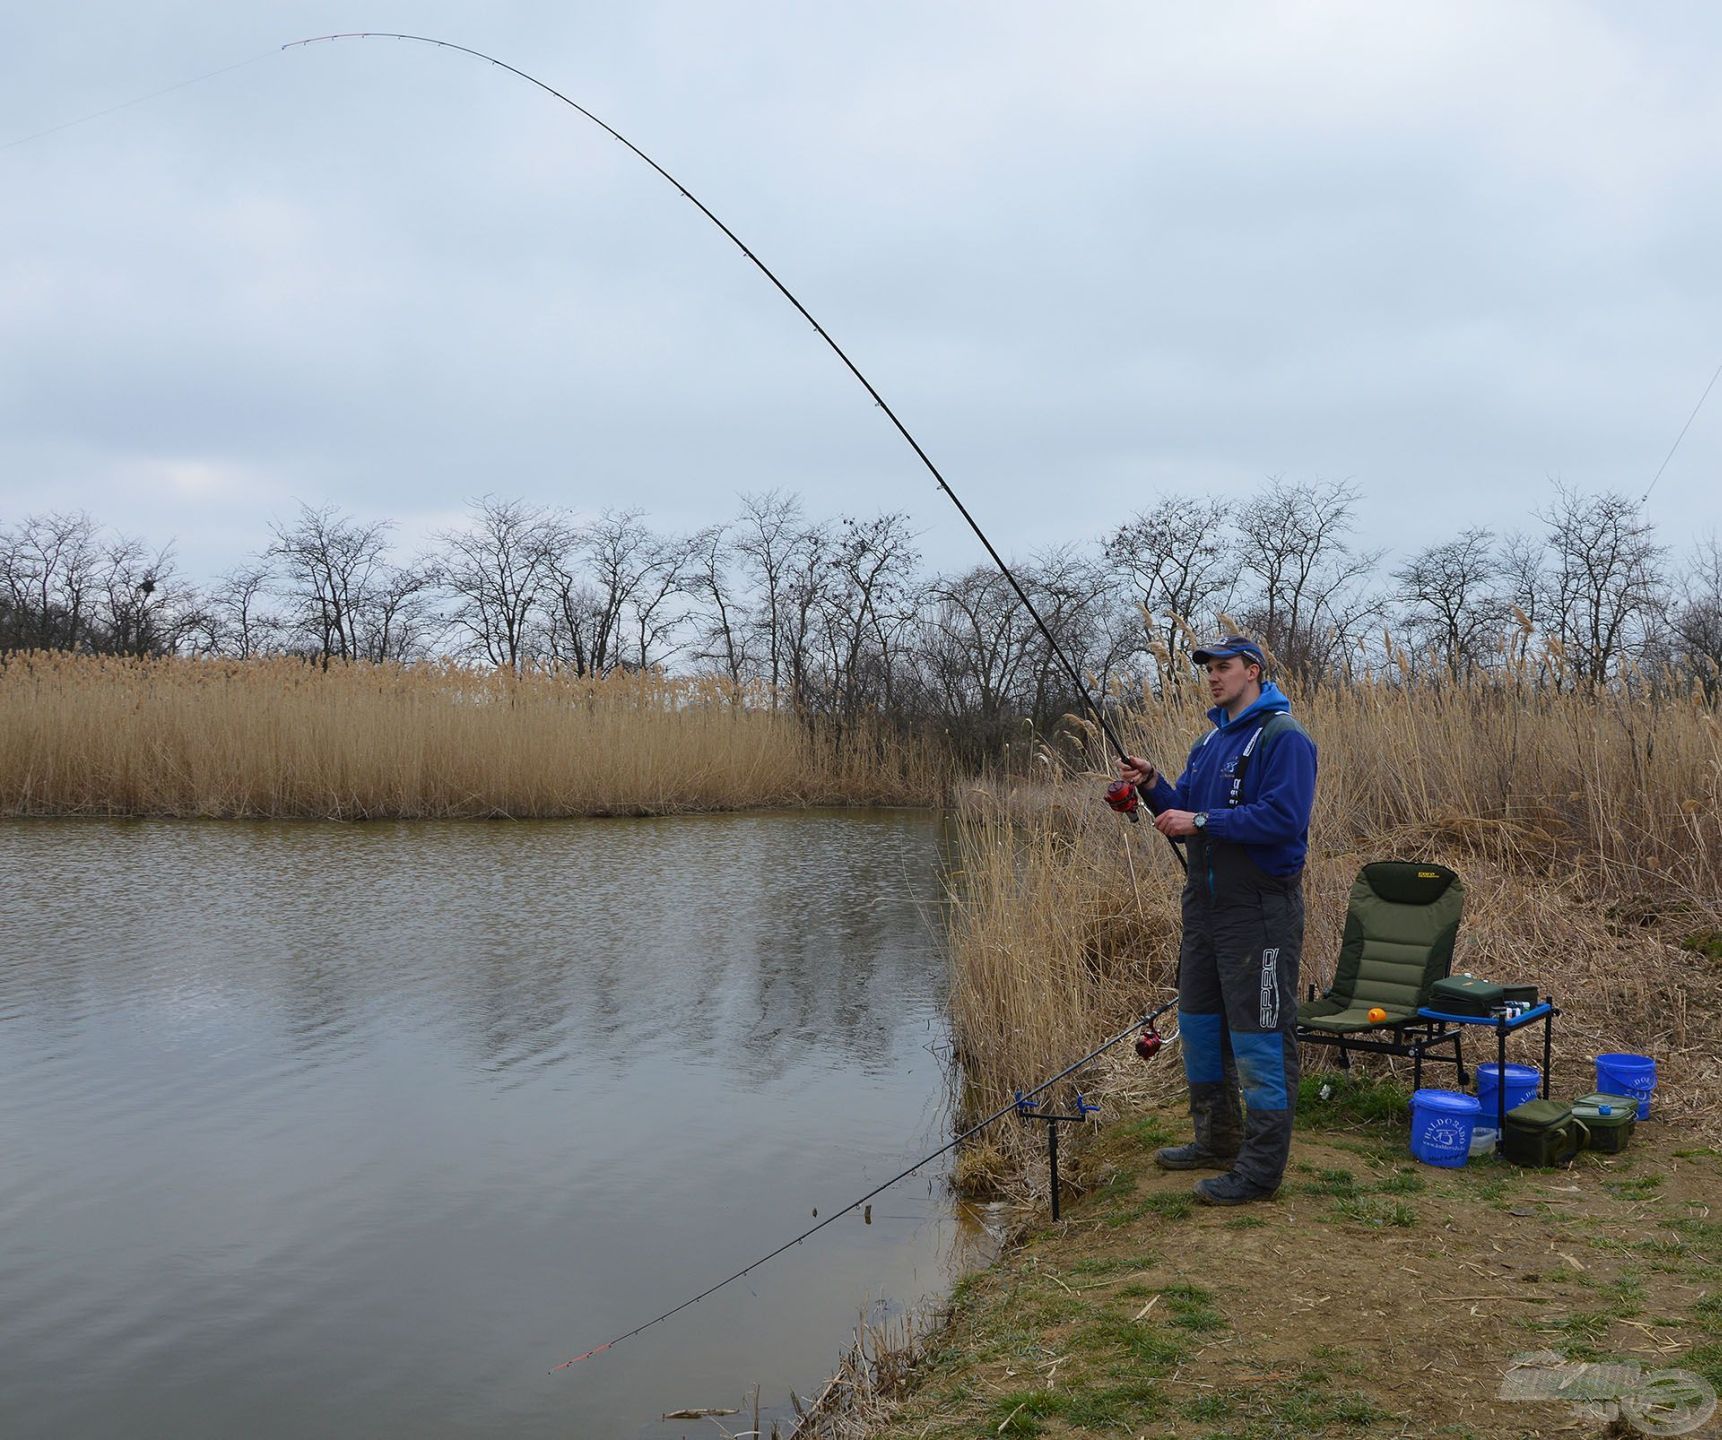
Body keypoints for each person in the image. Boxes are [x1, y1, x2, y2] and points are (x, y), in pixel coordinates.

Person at [1119, 636, 1317, 1205]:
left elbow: (1283, 818)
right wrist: (1155, 786)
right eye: (1207, 669)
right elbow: (1185, 813)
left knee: (1260, 1038)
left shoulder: (1284, 737)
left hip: (1259, 910)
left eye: (1223, 667)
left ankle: (1258, 1171)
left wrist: (1200, 820)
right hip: (1203, 907)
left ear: (1253, 671)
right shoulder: (1208, 741)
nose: (1212, 677)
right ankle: (1216, 1140)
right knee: (1202, 1027)